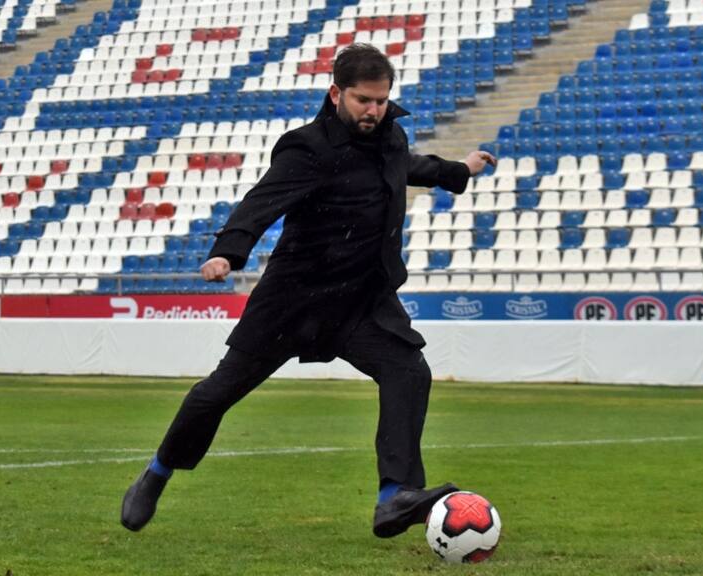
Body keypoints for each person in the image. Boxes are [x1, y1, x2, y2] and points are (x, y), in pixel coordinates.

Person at [121, 43, 496, 538]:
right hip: (293, 300)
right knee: (217, 393)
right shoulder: (307, 148)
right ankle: (158, 471)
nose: (375, 111)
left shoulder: (390, 138)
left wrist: (460, 169)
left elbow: (410, 165)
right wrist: (229, 252)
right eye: (364, 100)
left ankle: (395, 496)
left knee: (409, 371)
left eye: (382, 100)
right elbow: (262, 201)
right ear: (336, 93)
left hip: (361, 300)